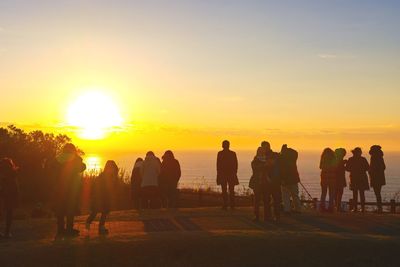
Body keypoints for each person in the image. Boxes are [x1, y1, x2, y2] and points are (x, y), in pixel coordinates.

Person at [52, 143, 86, 238]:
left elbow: (52, 170)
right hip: (71, 188)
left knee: (60, 210)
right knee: (70, 209)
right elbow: (83, 167)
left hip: (59, 188)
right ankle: (69, 229)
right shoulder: (75, 159)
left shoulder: (57, 159)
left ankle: (60, 230)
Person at [86, 160, 118, 235]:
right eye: (110, 167)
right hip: (99, 196)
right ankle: (88, 222)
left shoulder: (111, 176)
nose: (111, 169)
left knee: (105, 212)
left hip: (105, 196)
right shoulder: (102, 176)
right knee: (95, 211)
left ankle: (101, 227)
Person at [346, 147, 369, 212]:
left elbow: (347, 168)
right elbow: (367, 168)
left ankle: (355, 208)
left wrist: (353, 170)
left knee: (355, 193)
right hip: (362, 178)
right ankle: (363, 208)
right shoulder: (363, 159)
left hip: (354, 178)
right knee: (362, 193)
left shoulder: (351, 159)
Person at [217, 140, 239, 210]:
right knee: (230, 190)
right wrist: (234, 173)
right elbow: (236, 164)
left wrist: (219, 174)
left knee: (225, 190)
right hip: (230, 174)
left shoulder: (220, 153)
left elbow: (218, 165)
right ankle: (231, 205)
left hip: (226, 174)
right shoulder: (232, 153)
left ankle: (226, 205)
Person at [280, 145, 302, 214]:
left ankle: (287, 209)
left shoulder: (282, 159)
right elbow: (295, 152)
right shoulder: (293, 158)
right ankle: (298, 209)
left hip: (285, 180)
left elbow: (281, 170)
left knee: (285, 195)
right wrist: (289, 149)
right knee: (295, 195)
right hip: (294, 179)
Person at [0, 158, 19, 238]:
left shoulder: (4, 174)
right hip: (9, 194)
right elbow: (15, 186)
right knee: (9, 213)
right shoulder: (12, 173)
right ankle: (7, 232)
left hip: (4, 193)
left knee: (4, 212)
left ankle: (6, 232)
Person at [249, 148, 269, 222]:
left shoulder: (265, 160)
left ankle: (266, 216)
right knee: (257, 200)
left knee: (266, 200)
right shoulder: (255, 161)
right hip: (258, 182)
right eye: (261, 152)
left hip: (265, 182)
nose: (262, 153)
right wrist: (265, 166)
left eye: (263, 152)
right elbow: (255, 169)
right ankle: (256, 216)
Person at [369, 145, 386, 213]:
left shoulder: (374, 157)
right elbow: (384, 167)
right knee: (378, 193)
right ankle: (379, 208)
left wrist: (371, 171)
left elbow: (372, 167)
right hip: (380, 177)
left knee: (377, 193)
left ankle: (379, 208)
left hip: (375, 177)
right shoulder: (380, 157)